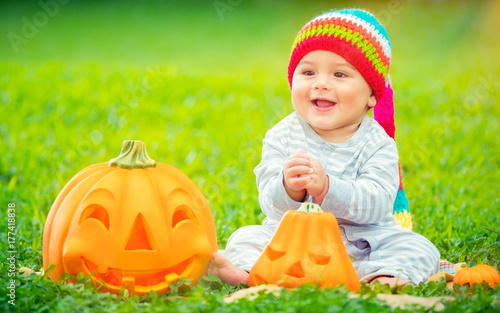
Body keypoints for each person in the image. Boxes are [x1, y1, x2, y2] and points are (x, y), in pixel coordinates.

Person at [207, 8, 440, 287]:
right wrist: (288, 187)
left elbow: (377, 203)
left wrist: (328, 187)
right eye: (308, 72)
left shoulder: (378, 144)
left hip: (360, 248)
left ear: (372, 95)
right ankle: (245, 273)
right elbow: (269, 202)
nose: (321, 84)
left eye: (340, 75)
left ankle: (382, 277)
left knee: (418, 247)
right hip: (291, 245)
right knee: (246, 236)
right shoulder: (281, 136)